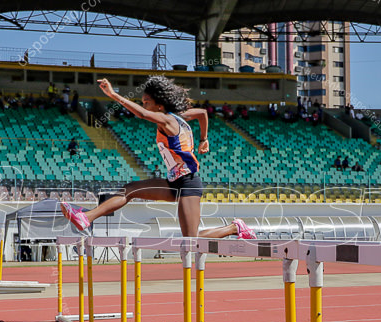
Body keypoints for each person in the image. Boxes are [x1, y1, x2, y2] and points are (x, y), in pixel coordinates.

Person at [60, 76, 256, 239]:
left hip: (188, 183)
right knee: (130, 190)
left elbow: (143, 115)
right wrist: (204, 139)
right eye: (143, 101)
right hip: (173, 181)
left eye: (147, 102)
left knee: (191, 240)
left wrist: (112, 95)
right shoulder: (179, 116)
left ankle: (235, 228)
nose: (143, 105)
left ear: (159, 106)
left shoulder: (167, 119)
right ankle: (86, 217)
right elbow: (203, 113)